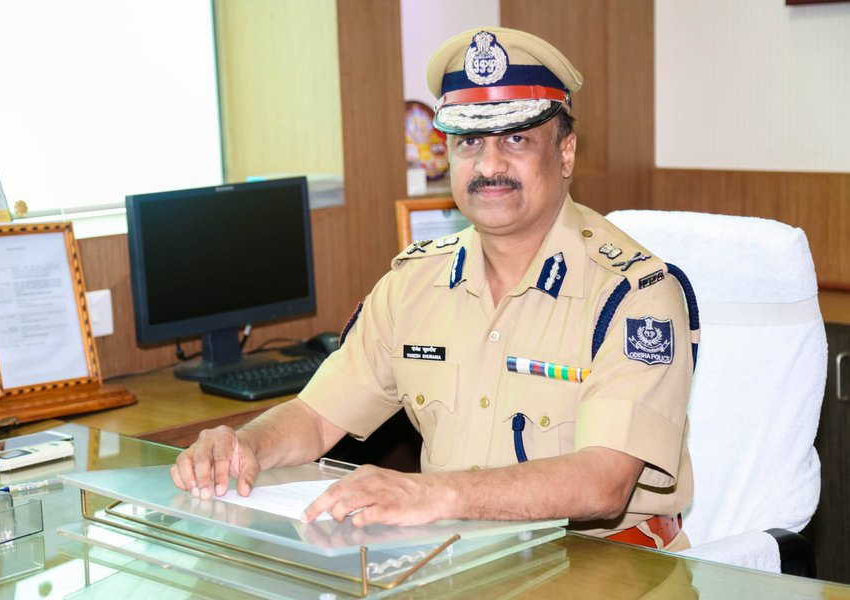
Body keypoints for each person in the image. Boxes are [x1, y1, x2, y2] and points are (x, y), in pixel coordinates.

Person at [171, 26, 696, 551]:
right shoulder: (413, 284)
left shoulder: (634, 295)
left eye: (516, 139)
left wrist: (430, 495)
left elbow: (604, 482)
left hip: (609, 561)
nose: (489, 166)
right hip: (459, 559)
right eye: (469, 142)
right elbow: (314, 418)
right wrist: (243, 446)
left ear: (565, 153)